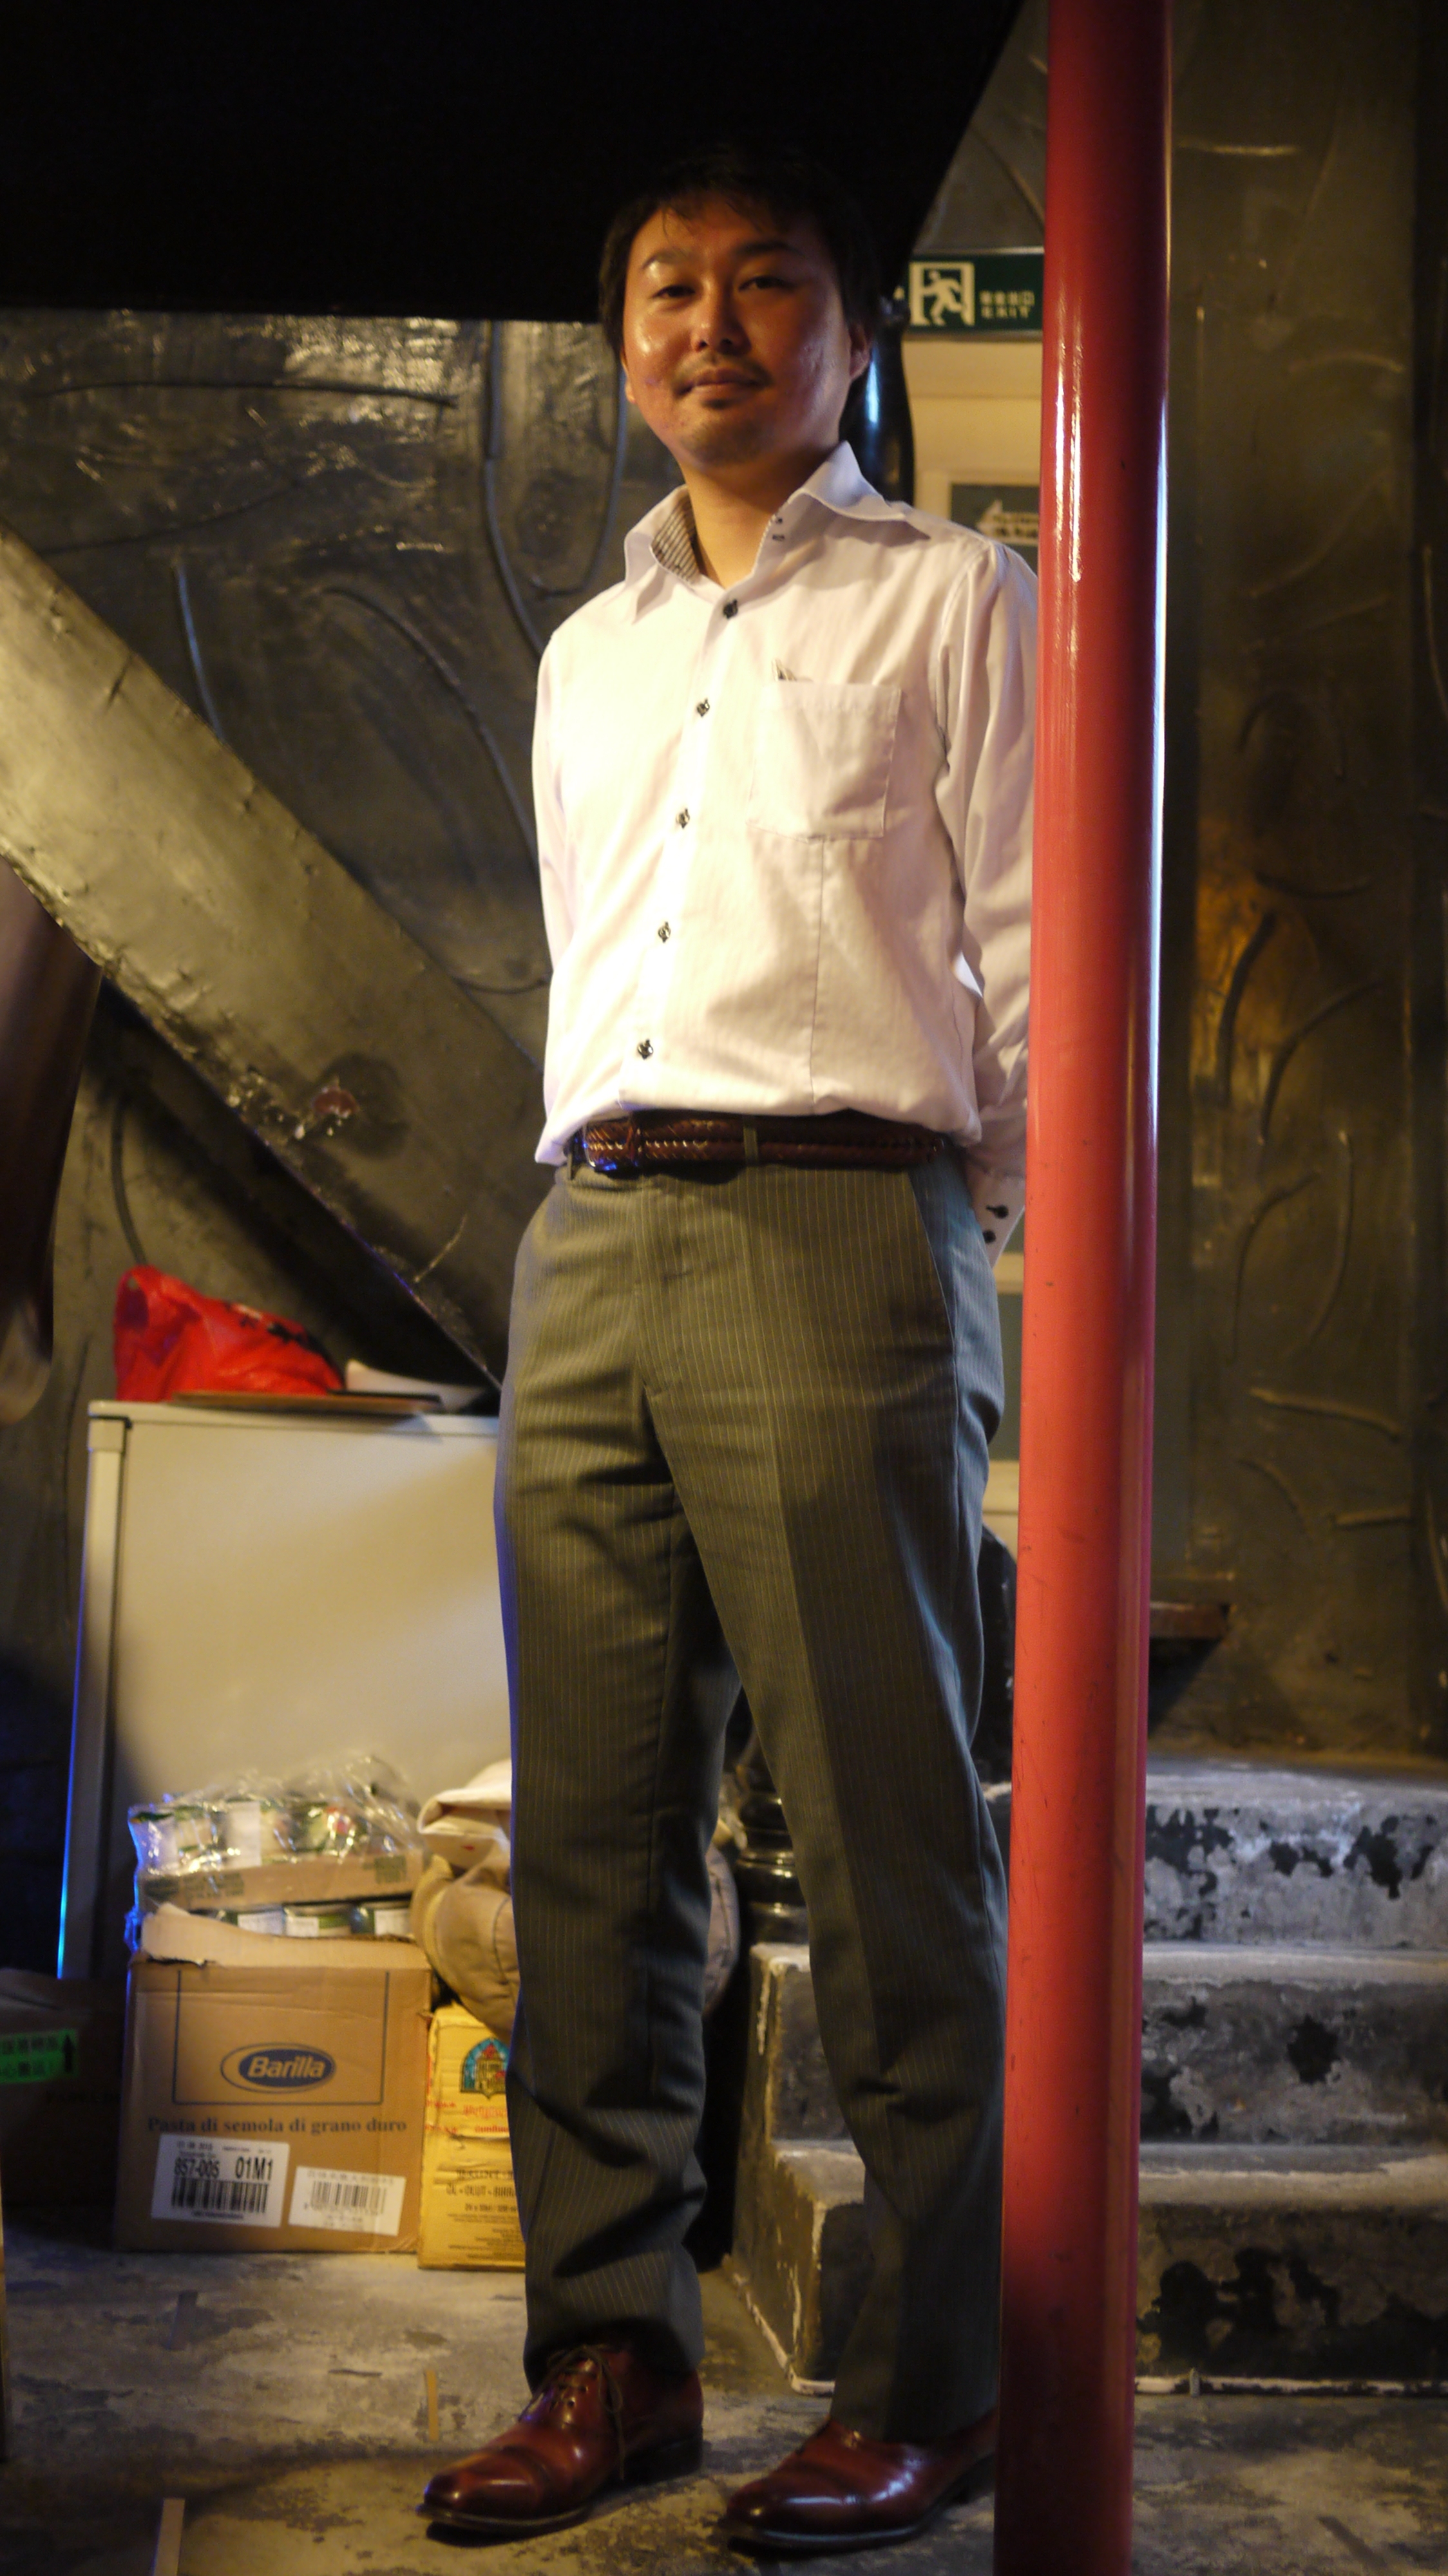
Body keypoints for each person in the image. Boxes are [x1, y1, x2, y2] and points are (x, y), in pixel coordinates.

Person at [423, 142, 1033, 2557]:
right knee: (592, 1845)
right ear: (622, 349)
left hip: (842, 1226)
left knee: (886, 1845)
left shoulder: (957, 599)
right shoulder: (589, 651)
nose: (711, 323)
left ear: (851, 336)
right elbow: (603, 959)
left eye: (766, 284)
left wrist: (988, 1280)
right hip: (591, 1235)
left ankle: (937, 2386)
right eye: (669, 288)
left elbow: (1035, 967)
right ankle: (614, 2358)